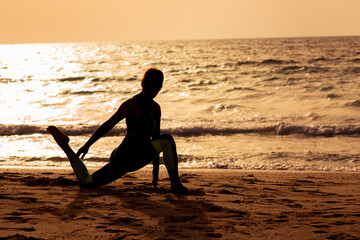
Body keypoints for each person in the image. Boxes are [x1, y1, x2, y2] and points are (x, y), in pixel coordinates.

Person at [47, 68, 188, 194]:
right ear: (145, 84)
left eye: (159, 86)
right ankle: (65, 146)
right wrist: (87, 145)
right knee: (87, 182)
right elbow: (108, 125)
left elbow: (156, 141)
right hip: (125, 157)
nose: (157, 89)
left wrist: (155, 176)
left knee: (166, 140)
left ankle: (175, 184)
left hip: (141, 154)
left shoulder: (156, 108)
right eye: (155, 85)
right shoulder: (131, 104)